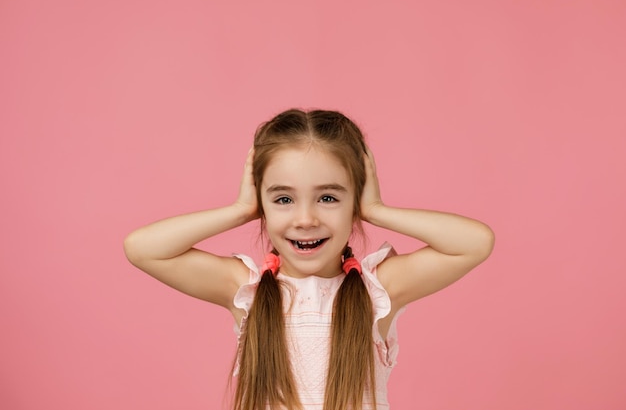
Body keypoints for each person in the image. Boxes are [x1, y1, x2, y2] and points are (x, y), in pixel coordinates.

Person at [123, 109, 495, 410]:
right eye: (283, 199)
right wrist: (239, 210)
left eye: (328, 198)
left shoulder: (378, 291)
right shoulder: (245, 290)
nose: (305, 219)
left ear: (355, 203)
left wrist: (377, 210)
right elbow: (143, 248)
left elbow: (475, 242)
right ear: (262, 205)